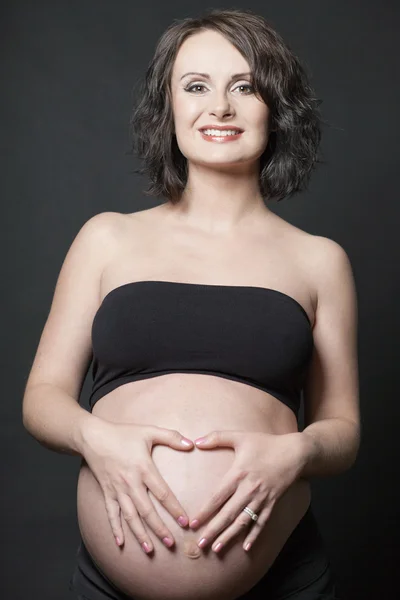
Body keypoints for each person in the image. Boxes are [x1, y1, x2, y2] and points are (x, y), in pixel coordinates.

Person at [22, 7, 360, 600]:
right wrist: (95, 438)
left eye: (245, 86)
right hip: (111, 583)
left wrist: (295, 451)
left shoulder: (318, 260)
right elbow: (42, 398)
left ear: (275, 108)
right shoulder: (107, 237)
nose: (220, 108)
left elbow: (343, 428)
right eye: (196, 86)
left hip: (282, 577)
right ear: (168, 107)